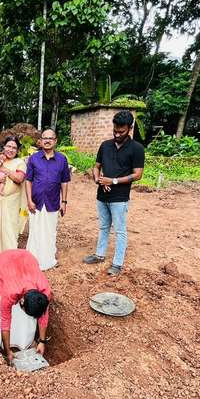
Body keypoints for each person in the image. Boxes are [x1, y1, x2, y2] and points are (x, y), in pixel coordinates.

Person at [83, 109, 145, 275]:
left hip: (119, 197)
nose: (117, 134)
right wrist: (99, 180)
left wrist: (113, 181)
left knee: (119, 230)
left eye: (121, 131)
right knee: (103, 226)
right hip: (102, 195)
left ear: (130, 128)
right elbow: (96, 167)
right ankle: (100, 254)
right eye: (115, 131)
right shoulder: (105, 145)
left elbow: (138, 174)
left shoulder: (137, 148)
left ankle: (117, 263)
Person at [0, 249, 51, 365]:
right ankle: (6, 344)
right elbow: (5, 320)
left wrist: (42, 342)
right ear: (22, 300)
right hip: (2, 263)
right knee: (6, 308)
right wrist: (8, 351)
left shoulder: (45, 292)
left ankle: (25, 341)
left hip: (26, 259)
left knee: (25, 318)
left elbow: (43, 315)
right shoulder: (9, 293)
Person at [25, 129, 71, 270]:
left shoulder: (62, 159)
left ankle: (48, 259)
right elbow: (28, 181)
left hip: (52, 202)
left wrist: (64, 202)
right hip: (36, 201)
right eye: (45, 138)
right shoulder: (34, 158)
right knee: (35, 230)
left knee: (50, 231)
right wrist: (29, 200)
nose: (47, 140)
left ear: (55, 141)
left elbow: (64, 181)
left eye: (51, 138)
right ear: (40, 141)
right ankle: (33, 259)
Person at [0, 135, 27, 251]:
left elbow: (19, 179)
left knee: (10, 231)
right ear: (3, 147)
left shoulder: (20, 163)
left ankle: (10, 258)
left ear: (17, 150)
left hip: (12, 203)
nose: (10, 149)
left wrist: (3, 168)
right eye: (8, 146)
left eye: (14, 147)